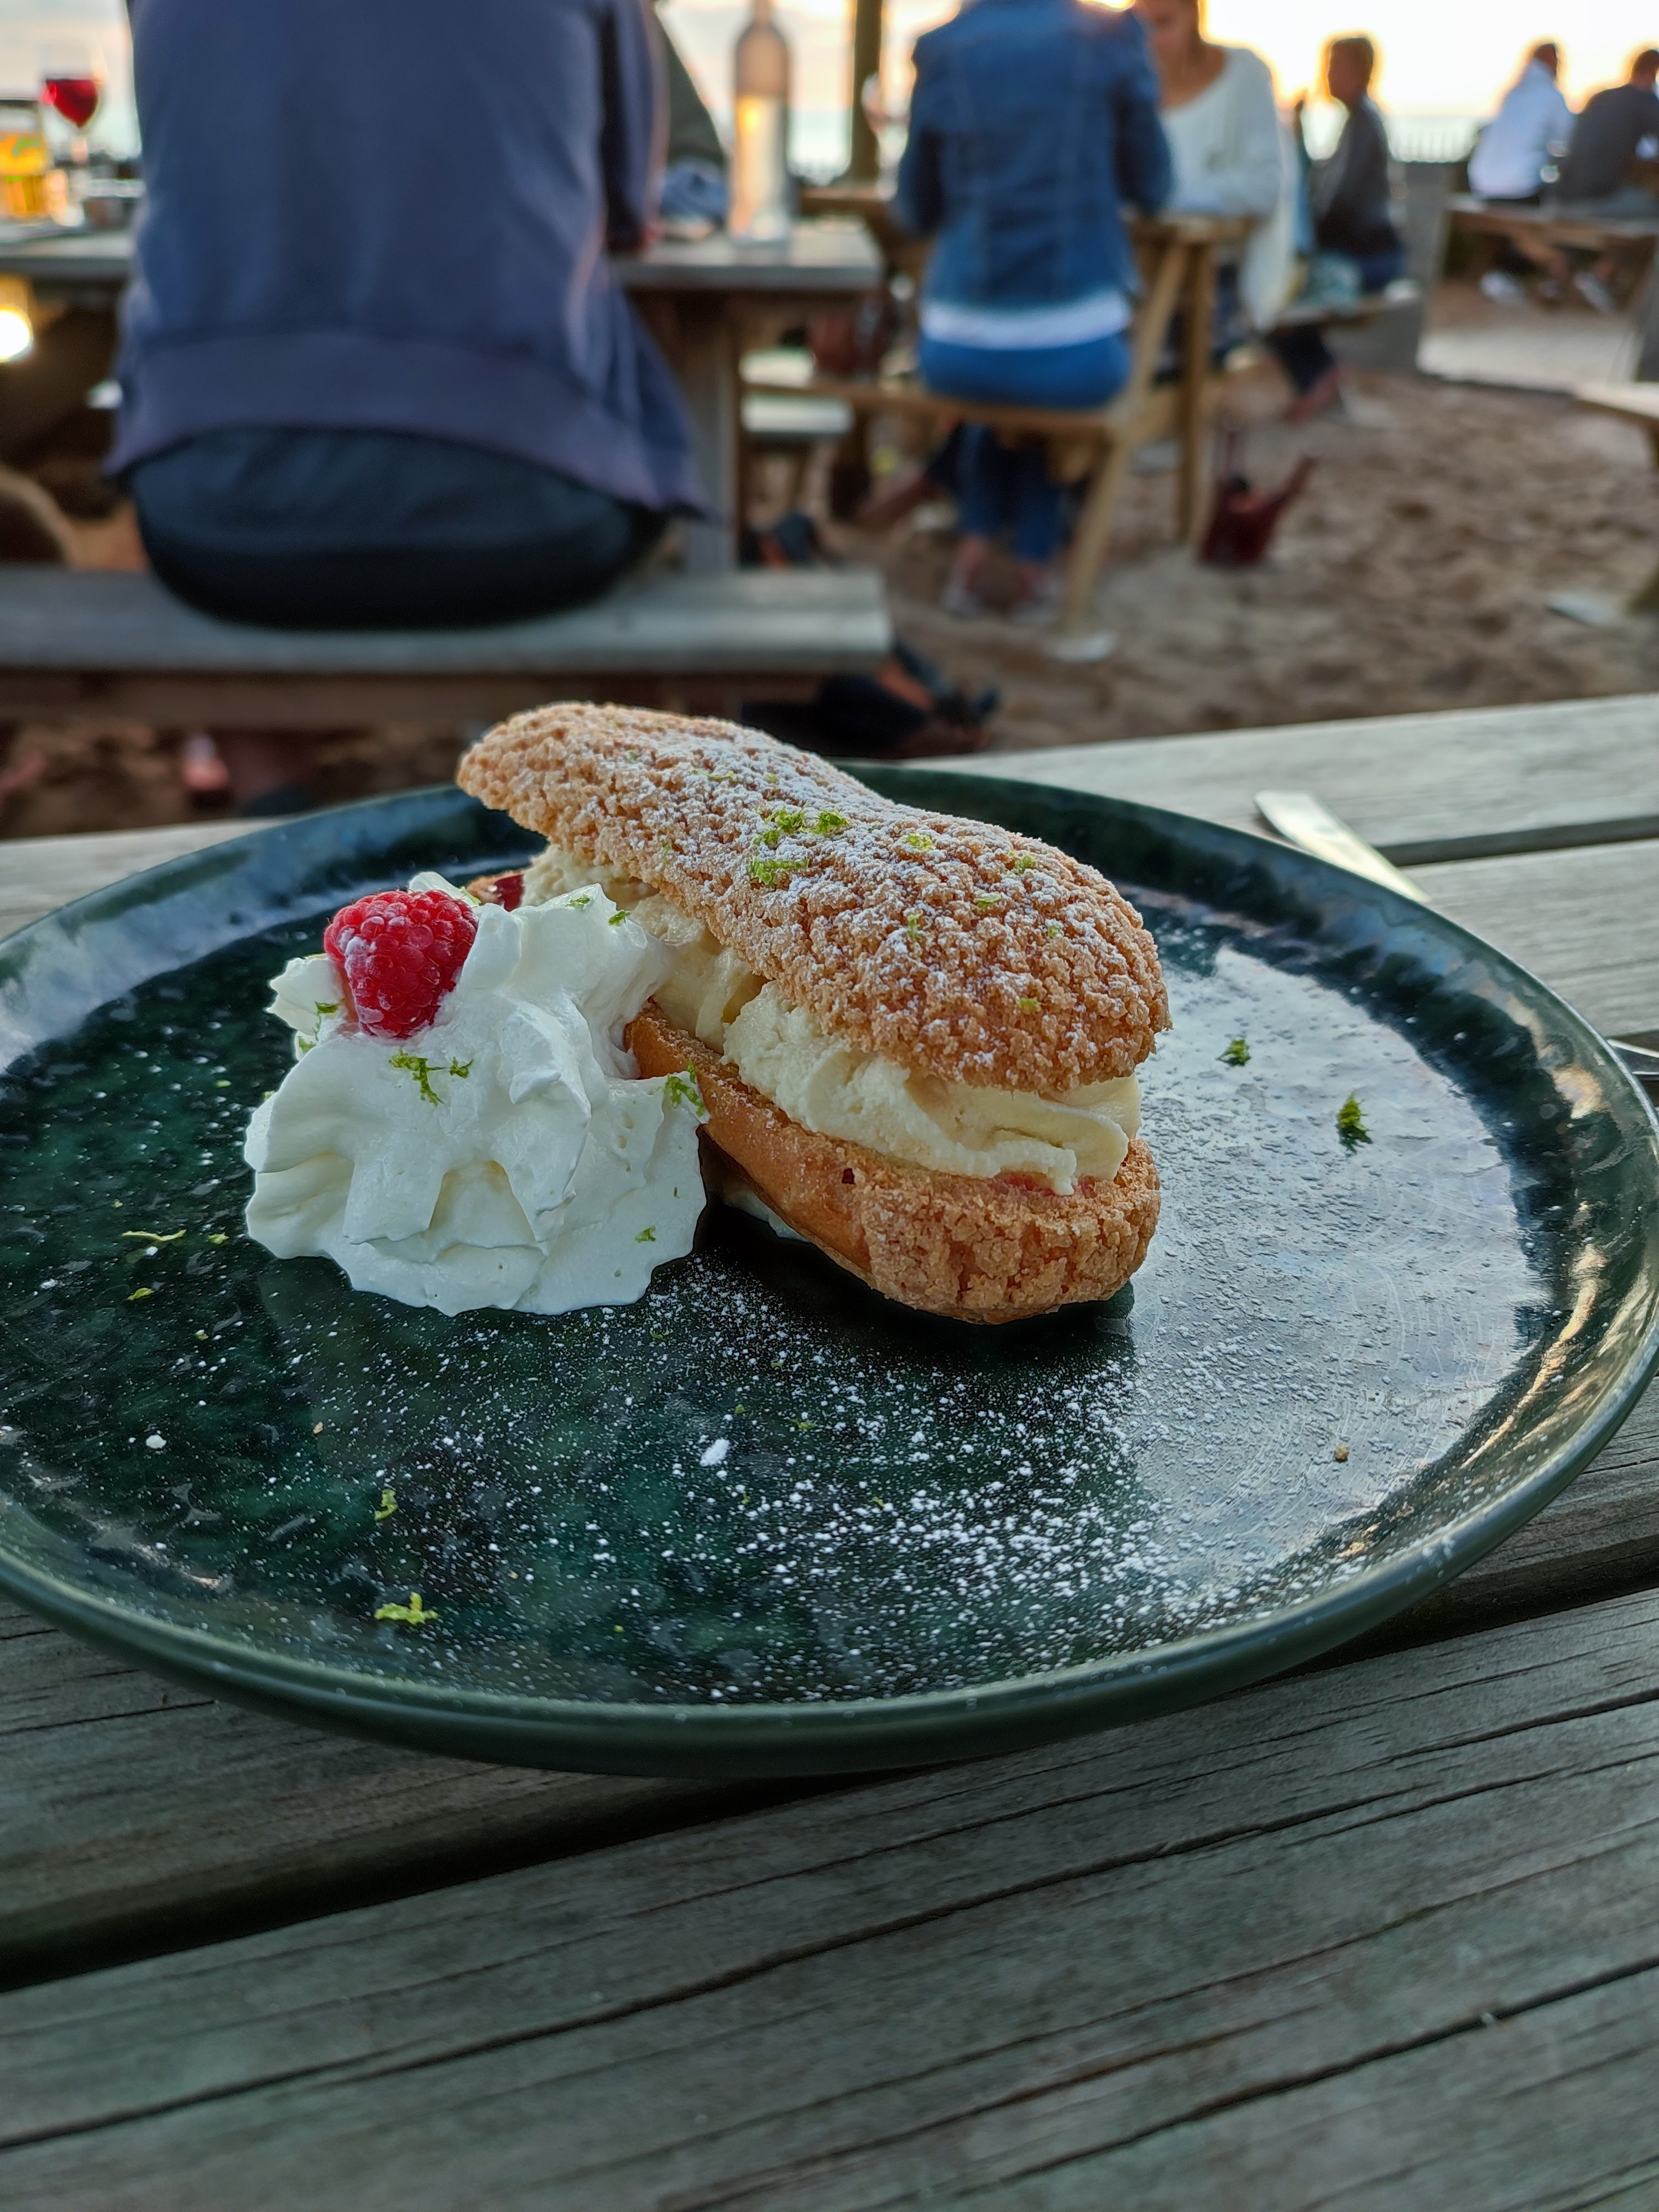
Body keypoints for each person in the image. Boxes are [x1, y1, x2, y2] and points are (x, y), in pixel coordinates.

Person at [109, 0, 703, 812]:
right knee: (648, 492)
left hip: (213, 531)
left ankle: (272, 800)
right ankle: (528, 787)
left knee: (213, 458)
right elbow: (631, 212)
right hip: (534, 522)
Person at [895, 0, 1171, 625]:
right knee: (1047, 387)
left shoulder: (942, 49)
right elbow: (1154, 188)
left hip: (955, 351)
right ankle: (1034, 563)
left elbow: (914, 210)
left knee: (1002, 400)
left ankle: (973, 552)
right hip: (1075, 349)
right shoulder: (1110, 39)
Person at [1134, 0, 1296, 338]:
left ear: (1193, 14)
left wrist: (1159, 193)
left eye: (1164, 23)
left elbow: (1265, 188)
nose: (1152, 40)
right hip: (1138, 277)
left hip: (1216, 283)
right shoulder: (1130, 82)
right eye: (1141, 26)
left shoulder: (1245, 73)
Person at [1267, 34, 1404, 423]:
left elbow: (1336, 200)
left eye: (1334, 66)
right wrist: (1300, 134)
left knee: (1277, 298)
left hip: (1370, 257)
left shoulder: (1365, 123)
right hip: (1365, 252)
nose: (1325, 75)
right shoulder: (1357, 122)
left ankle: (1318, 378)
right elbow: (1327, 190)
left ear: (1360, 72)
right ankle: (1320, 377)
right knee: (1282, 294)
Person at [1469, 43, 1573, 203]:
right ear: (1552, 62)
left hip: (1482, 186)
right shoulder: (1550, 94)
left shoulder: (1513, 94)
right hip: (1520, 189)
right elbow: (1571, 137)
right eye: (1559, 59)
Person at [1558, 49, 1659, 210]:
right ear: (1653, 73)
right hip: (1600, 198)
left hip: (1566, 192)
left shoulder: (1600, 97)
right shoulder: (1645, 100)